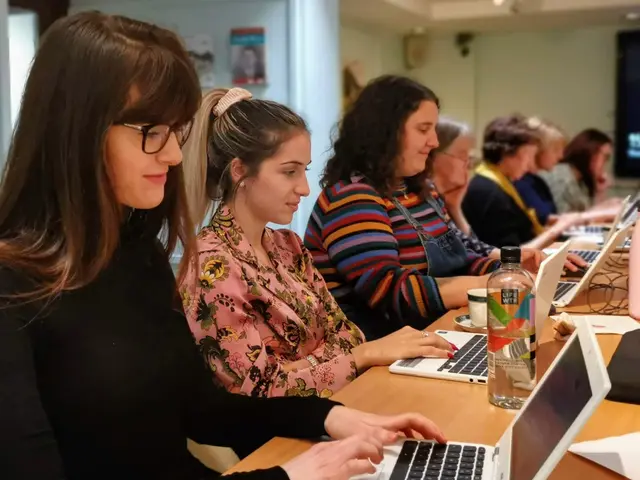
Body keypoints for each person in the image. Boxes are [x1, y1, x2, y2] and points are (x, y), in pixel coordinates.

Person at [0, 12, 448, 480]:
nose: (174, 155)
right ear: (77, 129)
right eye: (151, 132)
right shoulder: (14, 288)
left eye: (175, 132)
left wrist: (331, 417)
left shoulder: (136, 255)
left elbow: (201, 406)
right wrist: (289, 476)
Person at [179, 87, 454, 399]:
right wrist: (358, 357)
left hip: (332, 404)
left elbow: (348, 333)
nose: (305, 188)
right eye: (289, 172)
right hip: (276, 437)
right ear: (240, 171)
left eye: (304, 170)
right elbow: (256, 390)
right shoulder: (212, 264)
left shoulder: (289, 246)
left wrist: (302, 366)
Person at [304, 75, 500, 341]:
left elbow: (461, 257)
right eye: (423, 129)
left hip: (429, 334)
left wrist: (508, 272)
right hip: (381, 351)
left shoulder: (419, 190)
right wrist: (480, 285)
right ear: (387, 132)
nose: (434, 142)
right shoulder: (353, 197)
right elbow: (388, 290)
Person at [430, 117, 585, 272]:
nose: (530, 164)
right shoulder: (487, 191)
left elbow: (470, 246)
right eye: (464, 156)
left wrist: (455, 208)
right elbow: (462, 261)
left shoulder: (493, 185)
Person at [462, 115, 581, 249]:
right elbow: (511, 255)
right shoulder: (489, 192)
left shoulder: (497, 181)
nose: (530, 164)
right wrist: (558, 229)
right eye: (528, 156)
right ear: (508, 153)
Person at [539, 128, 622, 215]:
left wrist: (600, 192)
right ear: (590, 152)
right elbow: (560, 219)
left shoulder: (581, 180)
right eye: (605, 157)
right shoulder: (563, 178)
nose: (605, 163)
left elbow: (589, 216)